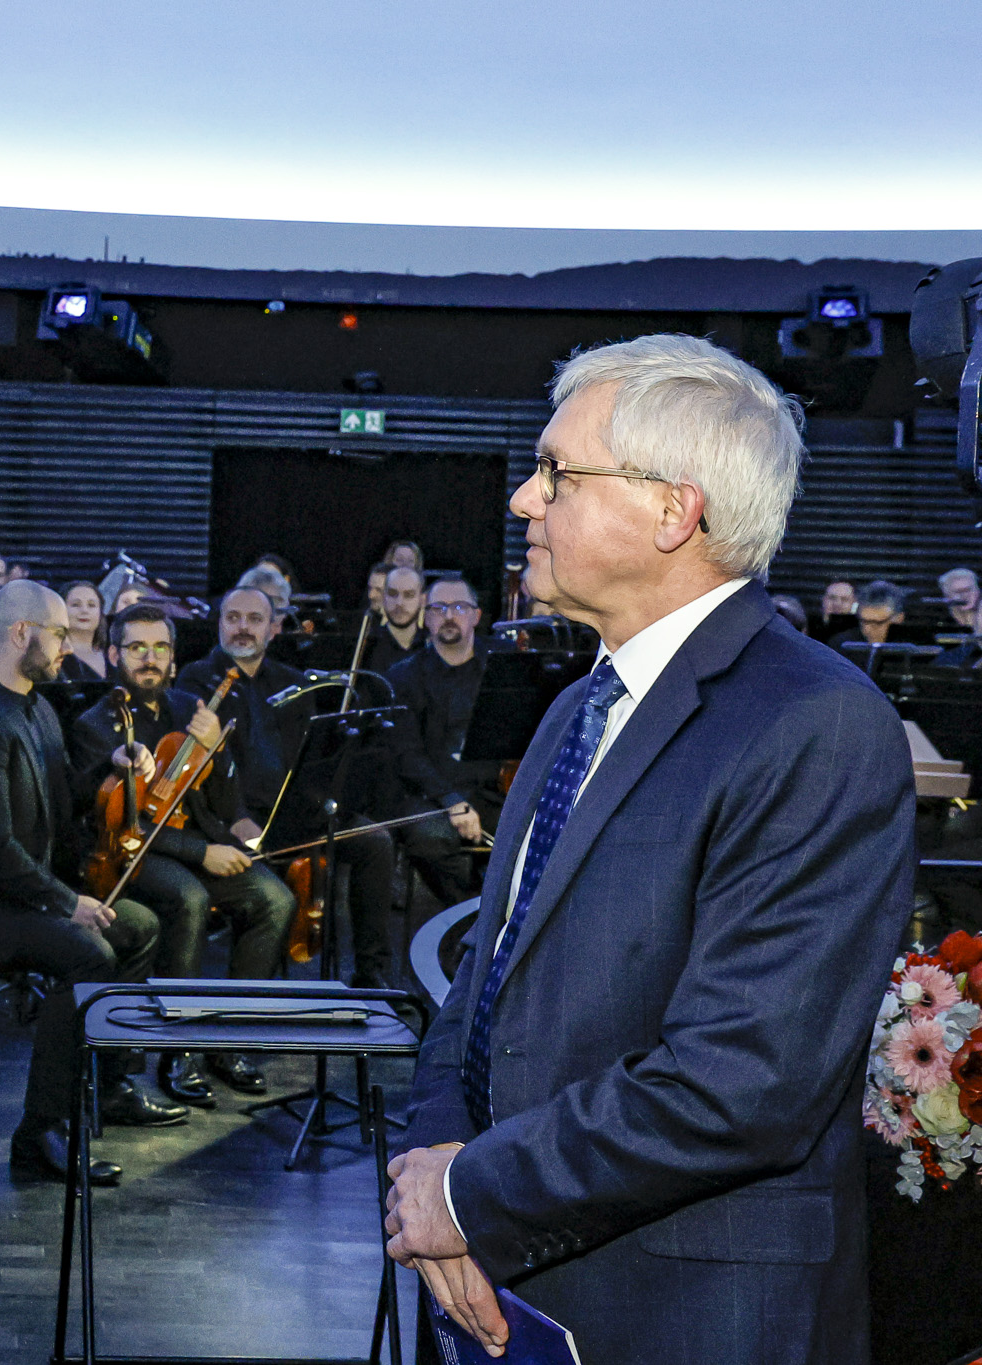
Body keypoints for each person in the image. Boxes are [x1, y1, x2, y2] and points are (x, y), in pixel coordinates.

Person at [385, 334, 911, 1363]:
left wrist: (467, 1193)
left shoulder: (815, 722)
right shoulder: (572, 710)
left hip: (686, 1312)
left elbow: (739, 1081)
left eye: (555, 474)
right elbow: (481, 990)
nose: (521, 502)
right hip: (502, 1291)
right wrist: (432, 1167)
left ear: (673, 510)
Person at [0, 580, 182, 1185]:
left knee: (141, 927)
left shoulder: (33, 704)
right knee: (85, 953)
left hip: (7, 891)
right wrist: (66, 903)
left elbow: (60, 807)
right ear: (20, 633)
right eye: (59, 632)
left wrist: (110, 770)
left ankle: (105, 1089)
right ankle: (40, 1135)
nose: (68, 644)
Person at [69, 605, 296, 1104]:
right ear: (113, 655)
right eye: (136, 648)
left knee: (274, 898)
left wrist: (218, 753)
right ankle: (179, 1051)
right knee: (189, 898)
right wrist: (205, 852)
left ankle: (228, 1041)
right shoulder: (95, 725)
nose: (149, 659)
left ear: (173, 657)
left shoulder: (188, 708)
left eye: (160, 648)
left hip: (198, 847)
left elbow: (224, 800)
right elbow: (128, 827)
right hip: (135, 856)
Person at [178, 587, 399, 988]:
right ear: (219, 623)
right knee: (270, 883)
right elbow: (199, 771)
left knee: (376, 842)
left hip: (294, 809)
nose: (243, 628)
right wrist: (239, 817)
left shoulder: (293, 682)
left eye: (255, 619)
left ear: (274, 629)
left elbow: (313, 757)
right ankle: (249, 993)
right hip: (233, 817)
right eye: (233, 618)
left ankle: (372, 969)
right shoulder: (195, 680)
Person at [384, 575, 498, 905]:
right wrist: (452, 801)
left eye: (459, 607)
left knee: (535, 827)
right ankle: (468, 915)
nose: (449, 615)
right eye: (438, 608)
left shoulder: (499, 666)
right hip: (431, 795)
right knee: (426, 839)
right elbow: (407, 756)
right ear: (425, 617)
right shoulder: (403, 676)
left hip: (490, 790)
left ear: (476, 616)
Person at [368, 564, 427, 674]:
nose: (399, 603)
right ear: (384, 597)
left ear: (423, 600)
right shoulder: (368, 647)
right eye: (392, 594)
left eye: (408, 595)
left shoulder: (433, 645)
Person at [827, 578, 904, 652]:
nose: (867, 629)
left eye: (878, 623)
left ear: (899, 618)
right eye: (864, 621)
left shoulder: (909, 649)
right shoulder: (841, 645)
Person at [61, 580, 109, 681]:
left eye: (91, 605)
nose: (84, 610)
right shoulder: (53, 657)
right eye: (76, 605)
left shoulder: (112, 654)